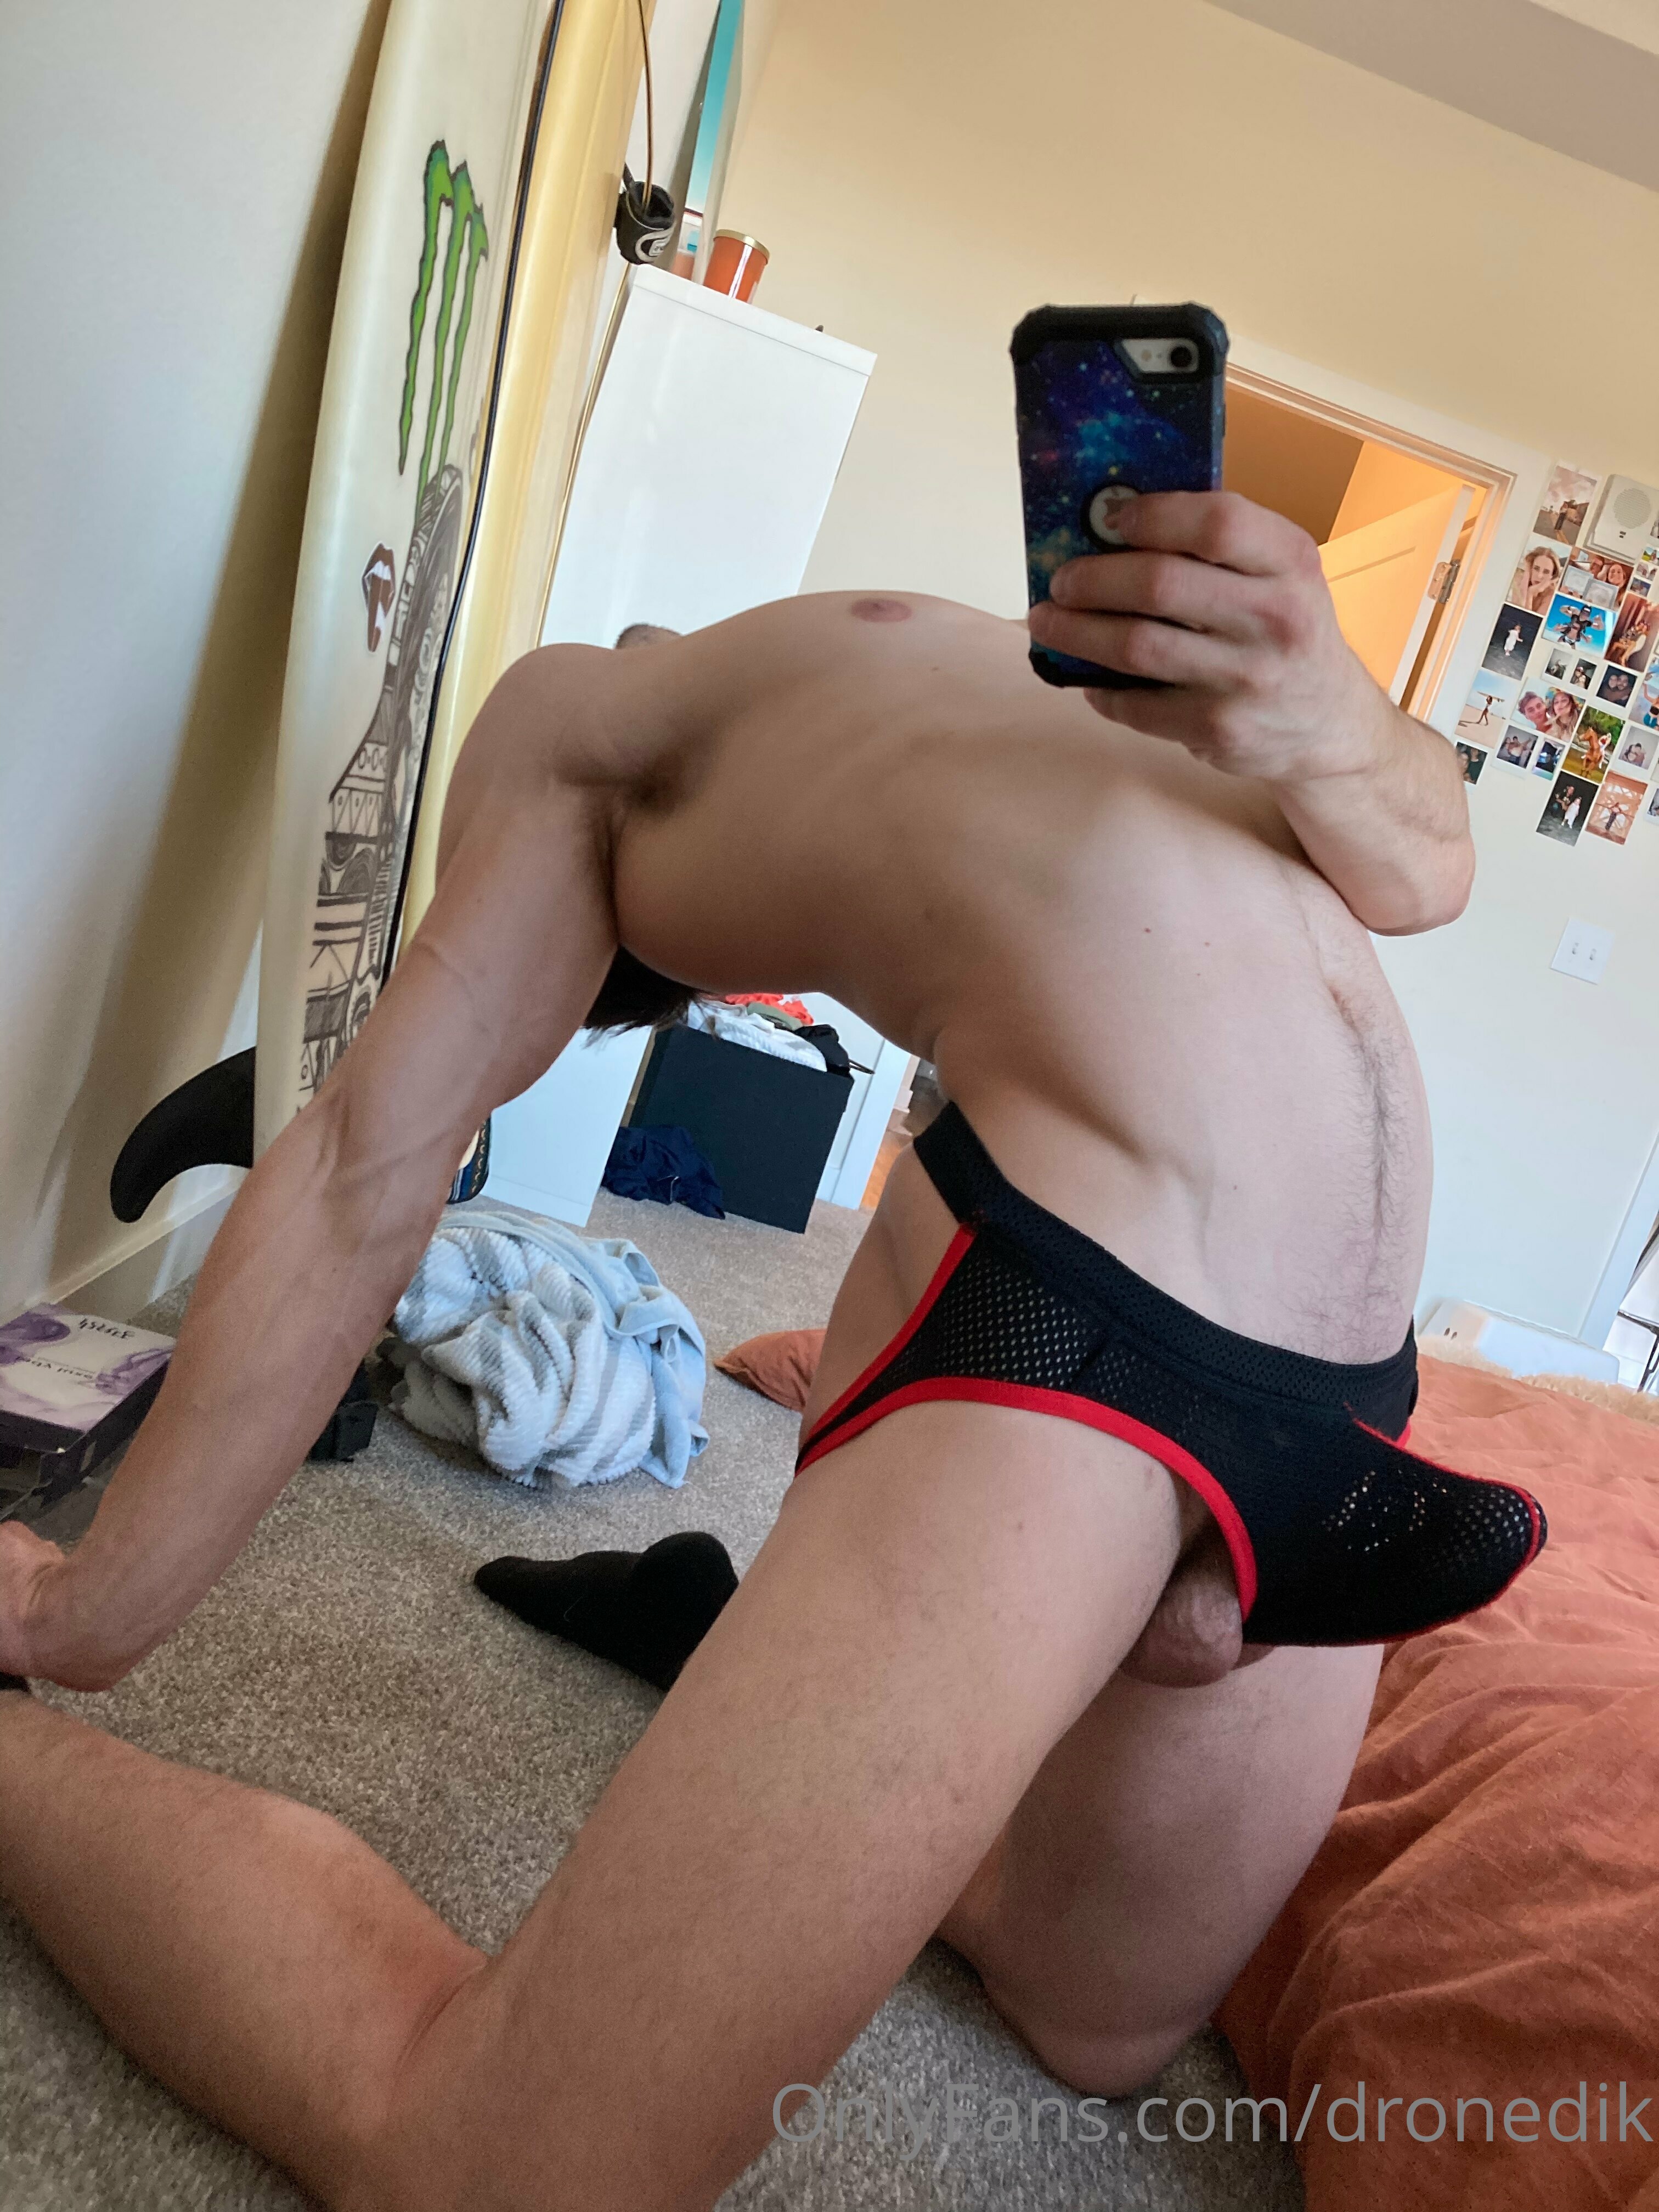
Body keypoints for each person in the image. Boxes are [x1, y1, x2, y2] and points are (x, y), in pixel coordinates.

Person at [0, 491, 1543, 2212]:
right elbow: (367, 1168)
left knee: (1096, 2025)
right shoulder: (570, 731)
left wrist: (1334, 707)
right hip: (1063, 1313)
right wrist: (76, 1617)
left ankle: (741, 1659)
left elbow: (1430, 865)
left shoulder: (1059, 687)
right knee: (496, 2173)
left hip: (1354, 1396)